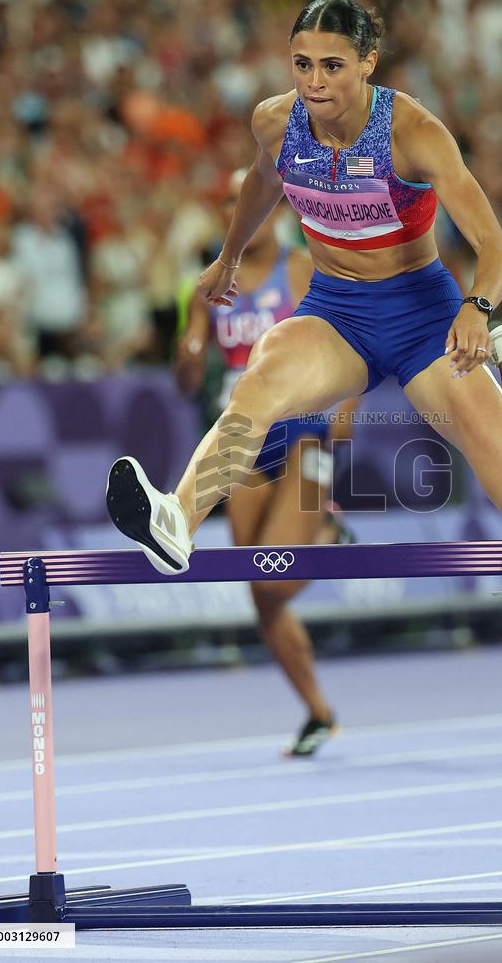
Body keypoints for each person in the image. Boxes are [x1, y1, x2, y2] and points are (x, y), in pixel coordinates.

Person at [106, 0, 502, 594]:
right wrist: (230, 255)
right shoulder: (274, 121)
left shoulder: (413, 133)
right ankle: (177, 518)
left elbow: (496, 247)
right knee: (260, 380)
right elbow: (264, 180)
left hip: (425, 322)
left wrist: (478, 309)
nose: (315, 81)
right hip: (337, 313)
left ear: (368, 62)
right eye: (302, 63)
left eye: (332, 65)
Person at [174, 169, 356, 755]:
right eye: (227, 202)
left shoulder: (302, 268)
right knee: (260, 589)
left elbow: (351, 336)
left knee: (283, 575)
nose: (237, 209)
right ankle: (319, 712)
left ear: (273, 205)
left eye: (243, 198)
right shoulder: (209, 282)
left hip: (303, 429)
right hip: (243, 436)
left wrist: (347, 402)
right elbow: (186, 378)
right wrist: (189, 346)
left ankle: (325, 527)